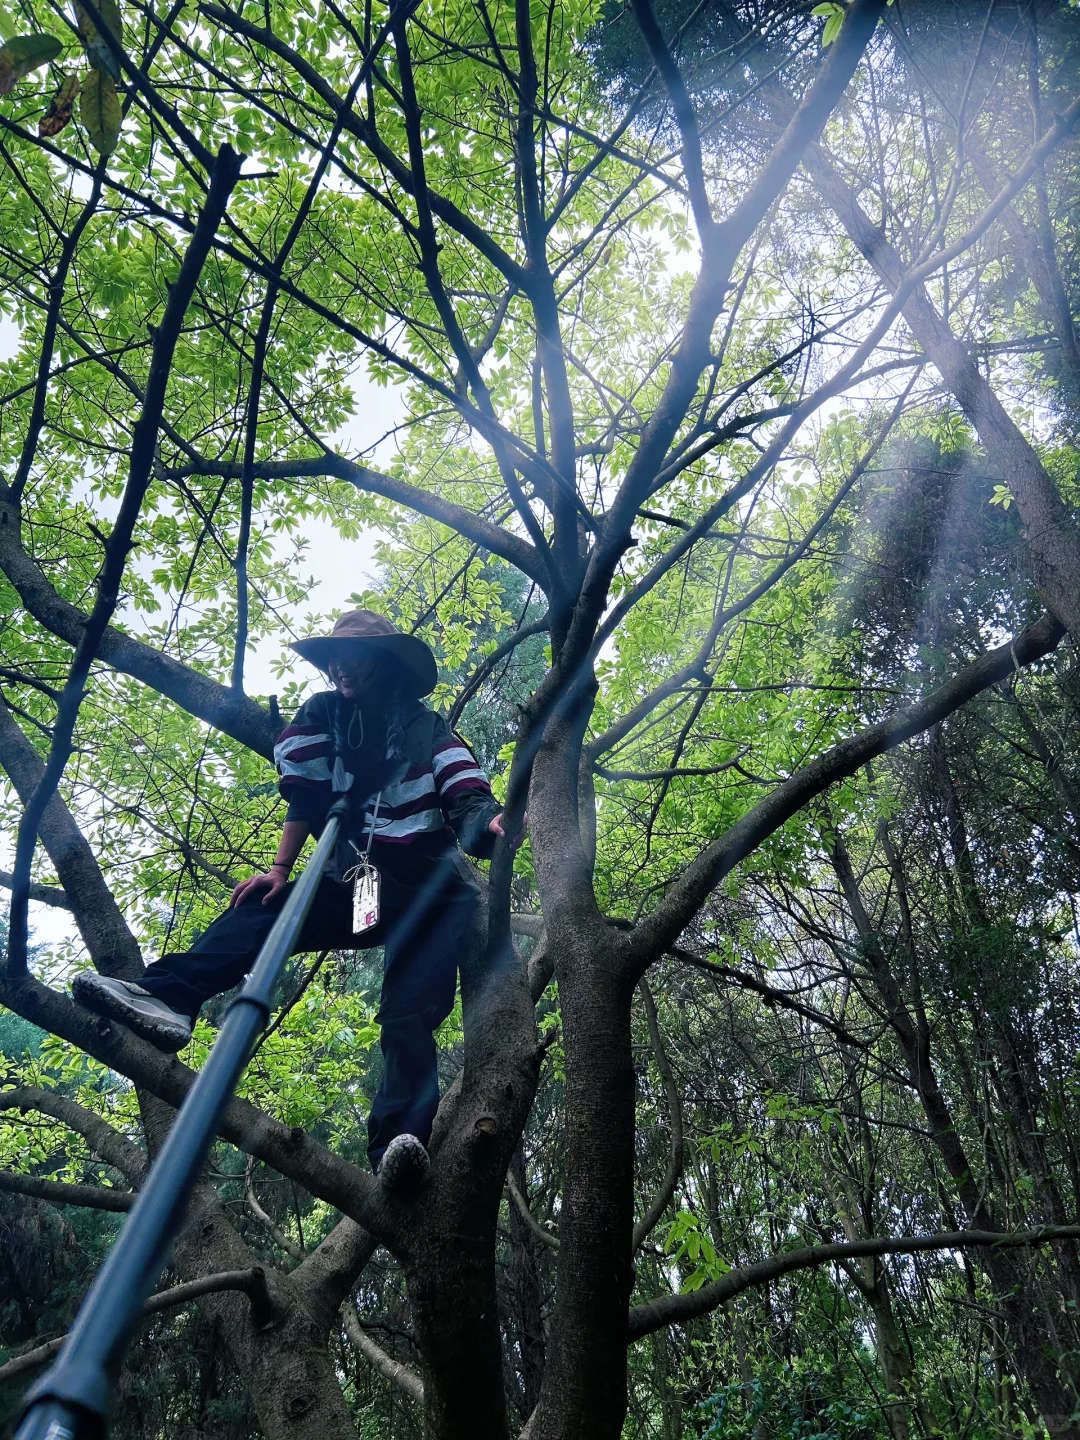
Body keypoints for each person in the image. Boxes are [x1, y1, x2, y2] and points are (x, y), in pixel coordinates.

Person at [73, 610, 515, 1193]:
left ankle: (397, 1150)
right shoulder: (323, 714)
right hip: (358, 883)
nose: (340, 667)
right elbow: (305, 797)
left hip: (430, 895)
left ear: (384, 662)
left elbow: (467, 799)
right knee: (260, 909)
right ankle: (168, 999)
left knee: (409, 1015)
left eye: (353, 656)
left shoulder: (427, 728)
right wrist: (280, 870)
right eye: (333, 657)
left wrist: (493, 825)